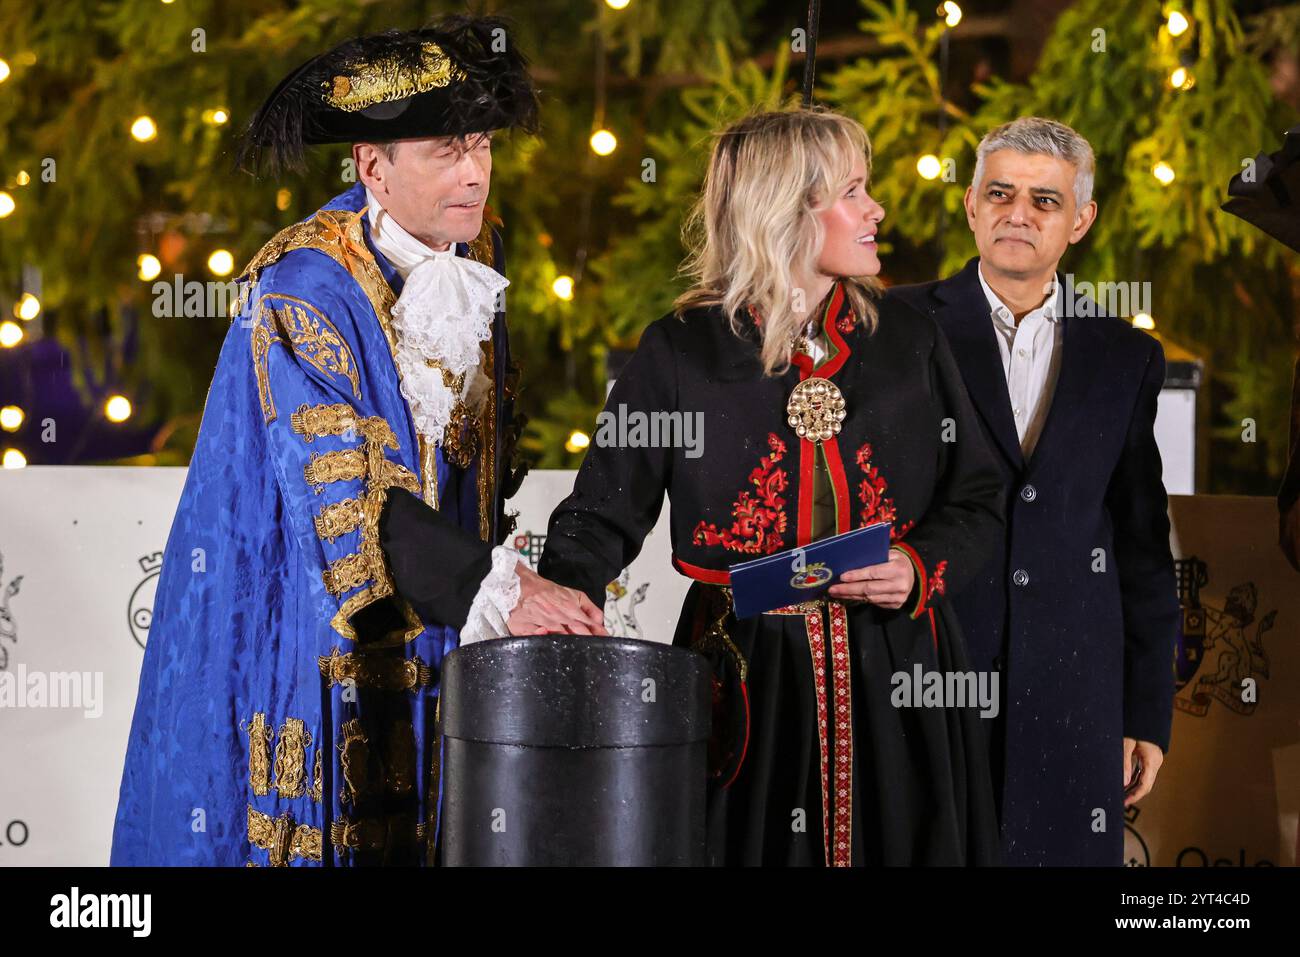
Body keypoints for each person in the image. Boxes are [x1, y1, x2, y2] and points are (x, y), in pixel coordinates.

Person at [111, 16, 603, 868]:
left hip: (445, 632)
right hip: (319, 632)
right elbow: (349, 494)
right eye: (448, 150)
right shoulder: (303, 289)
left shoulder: (476, 252)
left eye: (483, 144)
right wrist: (495, 587)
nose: (477, 171)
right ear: (372, 167)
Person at [539, 108, 1004, 866]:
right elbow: (600, 515)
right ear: (787, 209)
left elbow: (978, 496)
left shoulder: (910, 341)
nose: (876, 209)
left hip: (898, 673)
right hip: (747, 674)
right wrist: (547, 605)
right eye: (853, 191)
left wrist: (919, 567)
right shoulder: (681, 351)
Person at [889, 117, 1180, 866]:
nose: (1019, 213)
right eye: (1001, 193)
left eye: (1045, 201)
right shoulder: (893, 328)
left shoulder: (1126, 357)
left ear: (1080, 219)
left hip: (1073, 704)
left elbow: (1143, 549)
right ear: (970, 206)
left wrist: (1146, 710)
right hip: (924, 680)